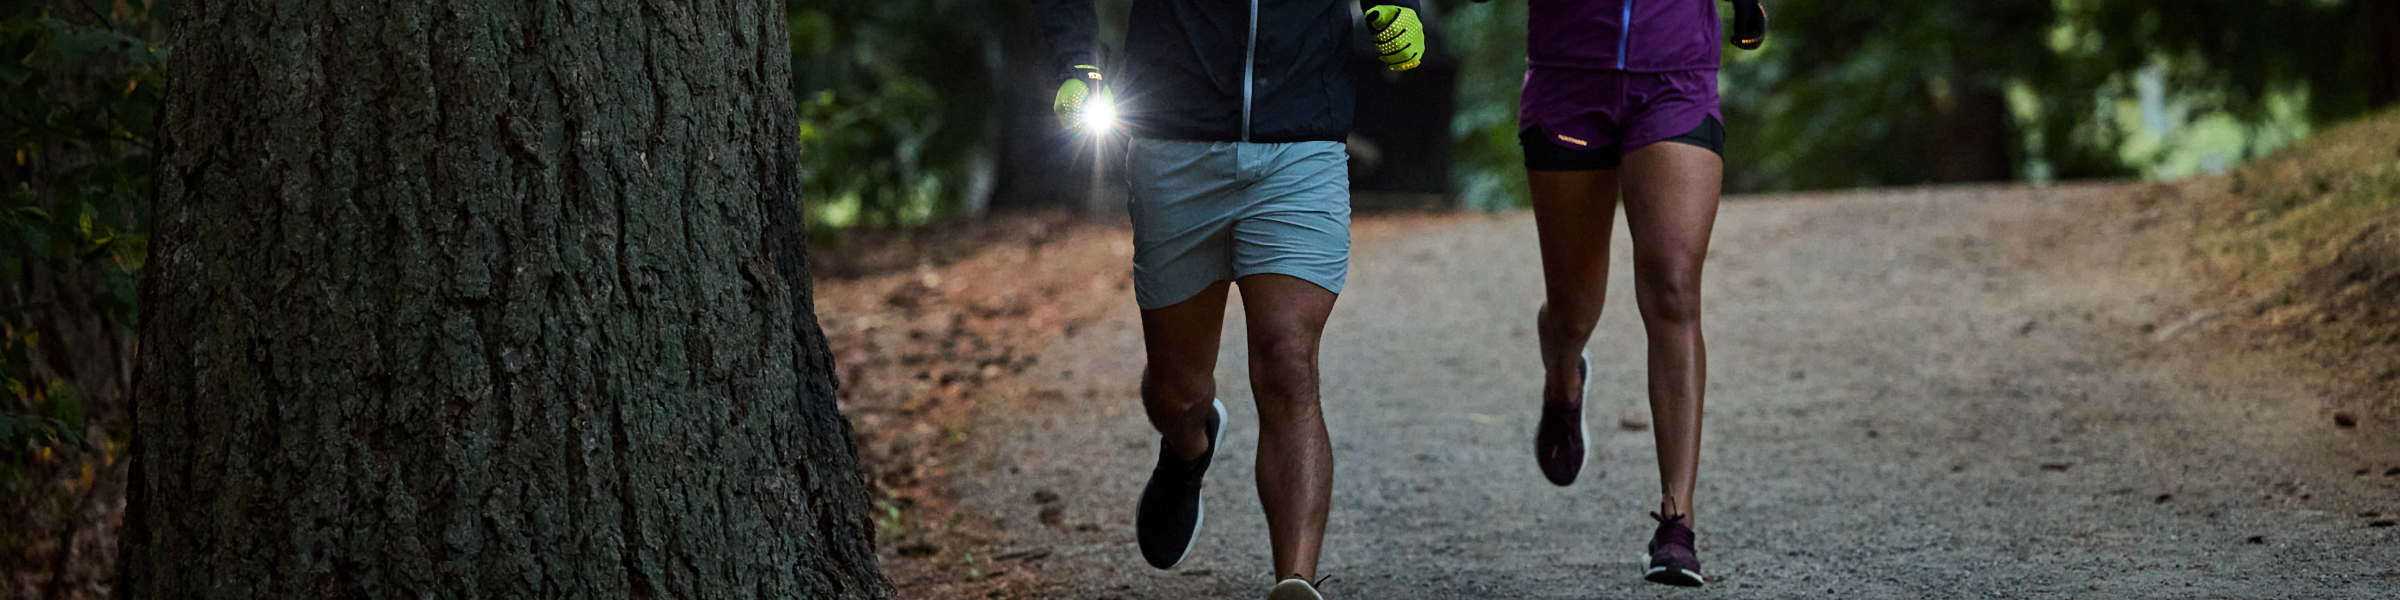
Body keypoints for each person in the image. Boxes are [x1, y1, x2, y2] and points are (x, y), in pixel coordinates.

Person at [1031, 1, 1427, 598]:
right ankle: (1188, 445)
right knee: (1176, 390)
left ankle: (1295, 581)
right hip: (1174, 140)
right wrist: (1078, 63)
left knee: (1289, 362)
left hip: (1302, 139)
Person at [1488, 0, 1765, 588]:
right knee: (1573, 309)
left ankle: (1676, 522)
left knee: (1673, 286)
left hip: (1676, 77)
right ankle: (1563, 374)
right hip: (1570, 75)